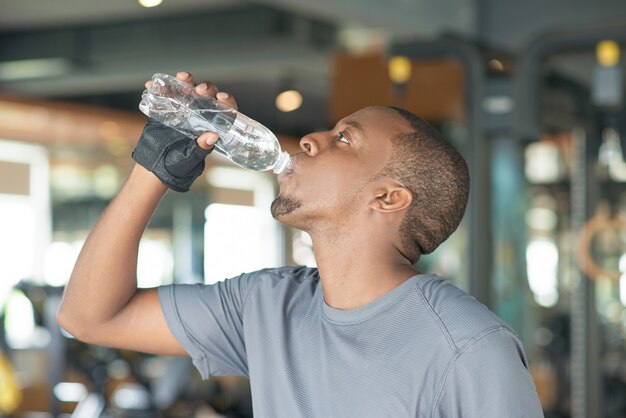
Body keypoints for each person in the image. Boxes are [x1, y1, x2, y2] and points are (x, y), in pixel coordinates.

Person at [57, 72, 544, 417]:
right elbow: (88, 316)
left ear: (389, 197)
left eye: (344, 138)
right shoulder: (265, 306)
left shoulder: (468, 349)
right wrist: (153, 169)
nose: (311, 139)